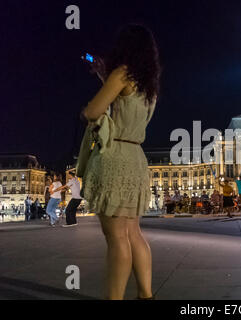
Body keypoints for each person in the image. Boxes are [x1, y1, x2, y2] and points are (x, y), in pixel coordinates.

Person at [80, 24, 161, 300]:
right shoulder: (149, 86)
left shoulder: (122, 72)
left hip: (114, 158)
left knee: (116, 237)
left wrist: (92, 102)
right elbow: (127, 106)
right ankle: (146, 294)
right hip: (136, 158)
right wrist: (106, 78)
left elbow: (93, 111)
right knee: (133, 232)